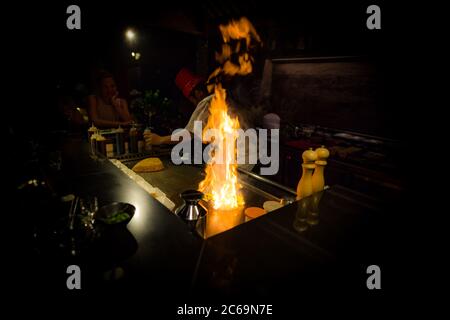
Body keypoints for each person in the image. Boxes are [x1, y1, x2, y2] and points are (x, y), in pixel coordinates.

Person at [144, 67, 211, 145]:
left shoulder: (206, 102)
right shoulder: (217, 98)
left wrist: (160, 139)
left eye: (191, 98)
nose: (192, 102)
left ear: (198, 92)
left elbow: (188, 134)